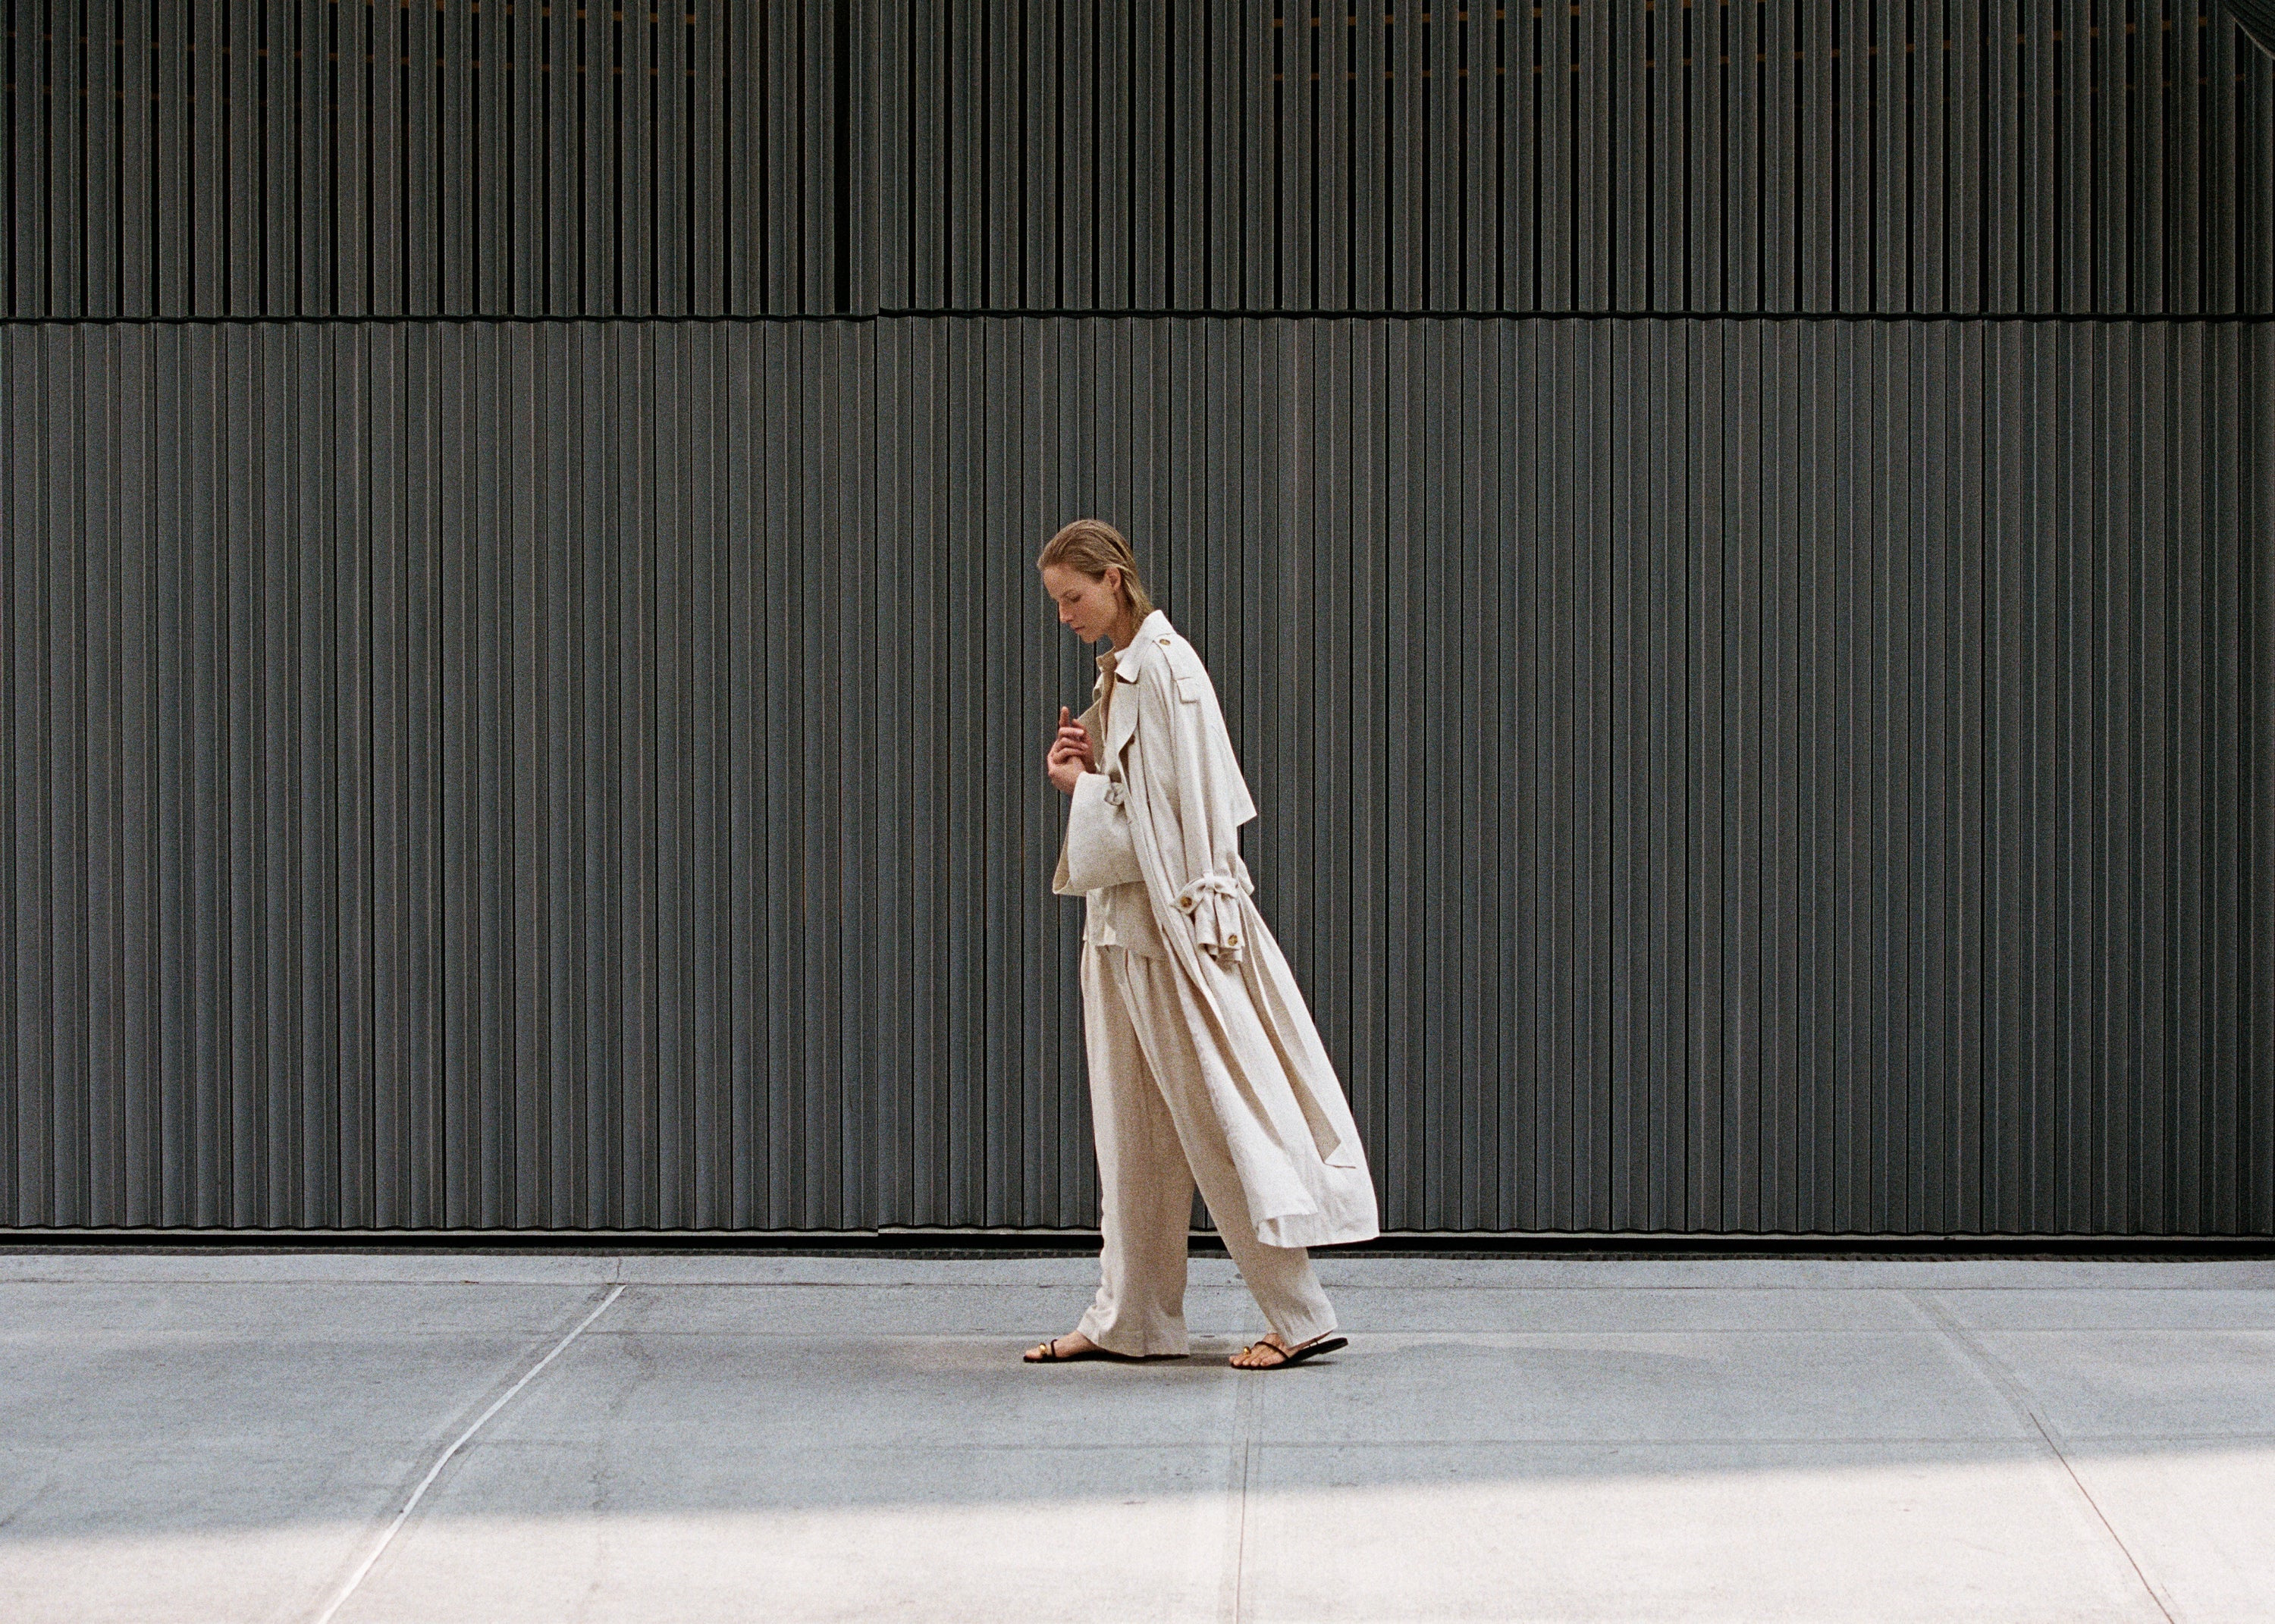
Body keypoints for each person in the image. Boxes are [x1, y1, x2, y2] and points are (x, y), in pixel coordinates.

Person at [1025, 519, 1379, 1372]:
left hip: (1167, 938)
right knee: (1133, 1140)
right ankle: (1130, 1319)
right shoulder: (1130, 673)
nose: (1065, 615)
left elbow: (1180, 830)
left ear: (1113, 580)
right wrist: (1093, 764)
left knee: (1218, 1120)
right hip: (1126, 934)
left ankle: (1299, 1315)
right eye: (1058, 603)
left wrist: (1080, 787)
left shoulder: (1167, 671)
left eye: (1073, 598)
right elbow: (1150, 806)